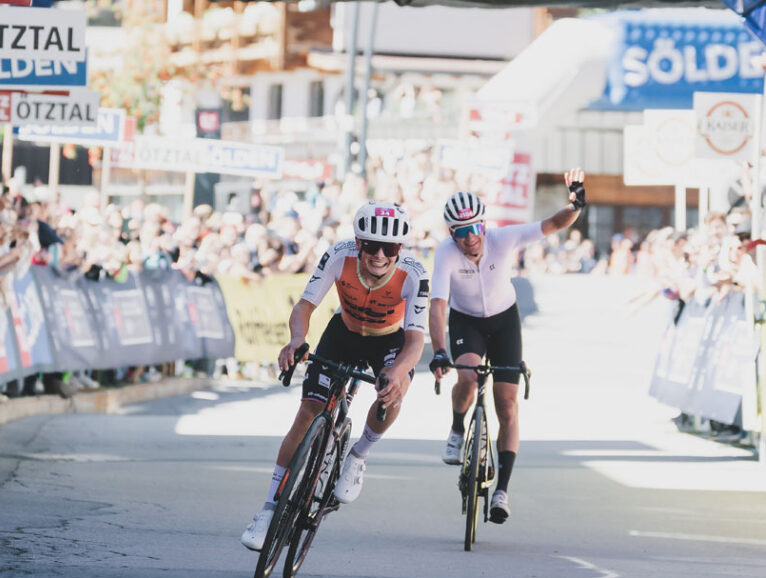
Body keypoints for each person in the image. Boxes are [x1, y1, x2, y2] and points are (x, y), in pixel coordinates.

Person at [241, 201, 429, 551]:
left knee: (393, 391)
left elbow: (416, 340)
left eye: (388, 248)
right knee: (308, 411)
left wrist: (396, 371)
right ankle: (268, 511)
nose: (378, 255)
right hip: (343, 332)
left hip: (389, 339)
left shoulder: (415, 272)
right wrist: (298, 339)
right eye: (370, 246)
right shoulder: (338, 255)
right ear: (357, 243)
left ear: (399, 249)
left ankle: (358, 456)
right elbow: (305, 305)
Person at [428, 168, 587, 525]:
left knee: (507, 405)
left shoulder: (504, 238)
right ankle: (457, 427)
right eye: (461, 233)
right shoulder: (445, 254)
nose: (470, 238)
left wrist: (575, 204)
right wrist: (439, 350)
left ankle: (502, 490)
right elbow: (438, 306)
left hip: (503, 321)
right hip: (466, 321)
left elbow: (552, 224)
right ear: (451, 233)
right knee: (467, 377)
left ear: (484, 225)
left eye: (475, 229)